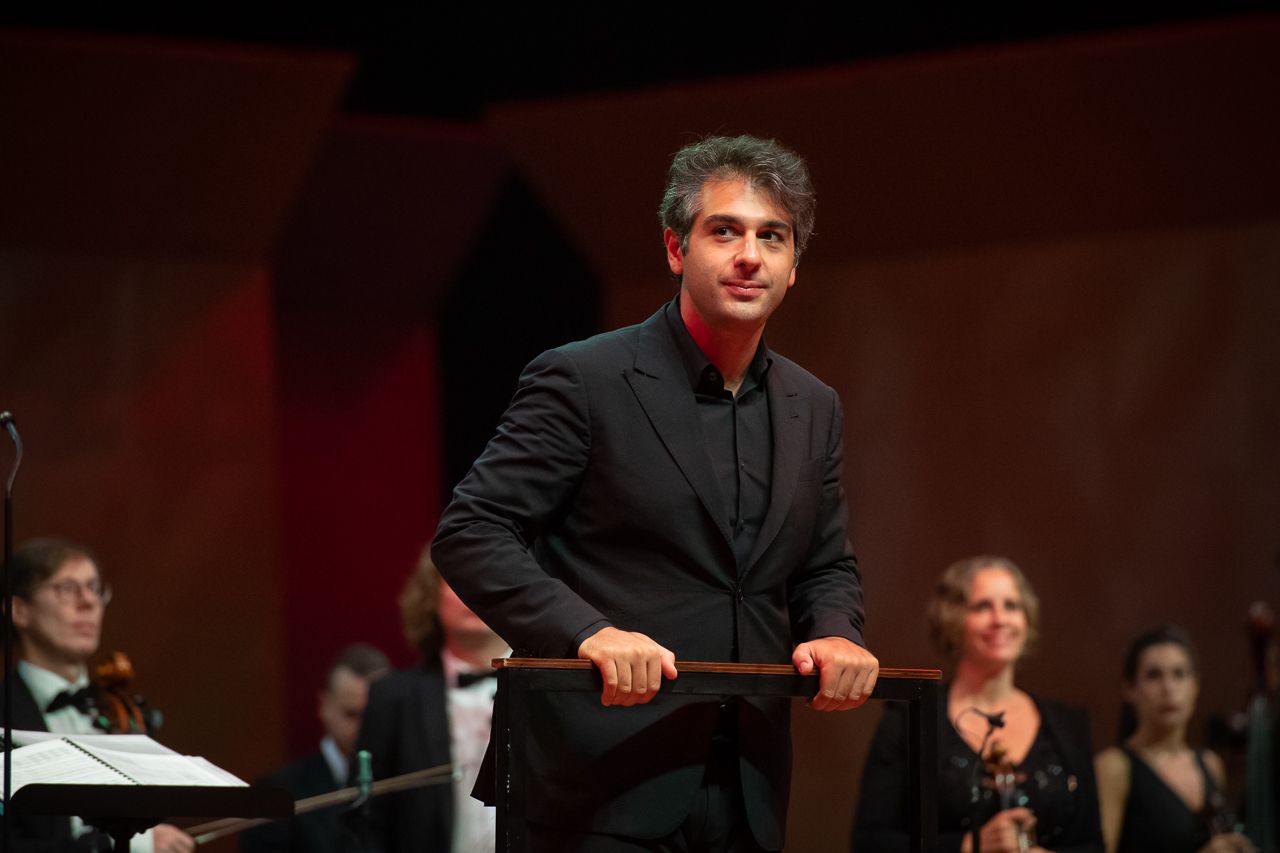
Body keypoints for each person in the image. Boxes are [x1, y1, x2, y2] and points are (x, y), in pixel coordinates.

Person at [431, 133, 878, 852]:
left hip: (748, 784)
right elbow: (472, 530)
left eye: (772, 236)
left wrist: (835, 631)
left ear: (794, 265)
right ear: (676, 248)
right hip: (595, 781)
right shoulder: (584, 378)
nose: (750, 255)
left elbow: (824, 563)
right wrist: (587, 632)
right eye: (724, 231)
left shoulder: (813, 404)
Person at [853, 555, 1103, 853]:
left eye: (1012, 606)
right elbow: (870, 841)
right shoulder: (909, 720)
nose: (1000, 619)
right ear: (952, 619)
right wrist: (970, 845)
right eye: (983, 606)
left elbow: (1093, 844)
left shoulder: (1069, 725)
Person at [2, 537, 195, 853]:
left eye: (94, 588)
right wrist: (121, 843)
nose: (89, 602)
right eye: (67, 588)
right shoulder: (5, 712)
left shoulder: (120, 714)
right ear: (19, 610)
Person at [354, 547, 509, 853]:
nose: (475, 591)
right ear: (430, 596)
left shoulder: (553, 691)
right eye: (459, 580)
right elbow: (367, 819)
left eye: (489, 577)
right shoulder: (392, 698)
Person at [1094, 626, 1253, 853]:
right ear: (1129, 688)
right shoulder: (1114, 766)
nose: (1168, 688)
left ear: (1195, 686)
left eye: (1179, 674)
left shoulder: (1210, 763)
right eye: (1154, 675)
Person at [239, 643, 391, 853]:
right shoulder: (277, 792)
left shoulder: (406, 784)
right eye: (351, 714)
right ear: (324, 705)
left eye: (373, 715)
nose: (364, 728)